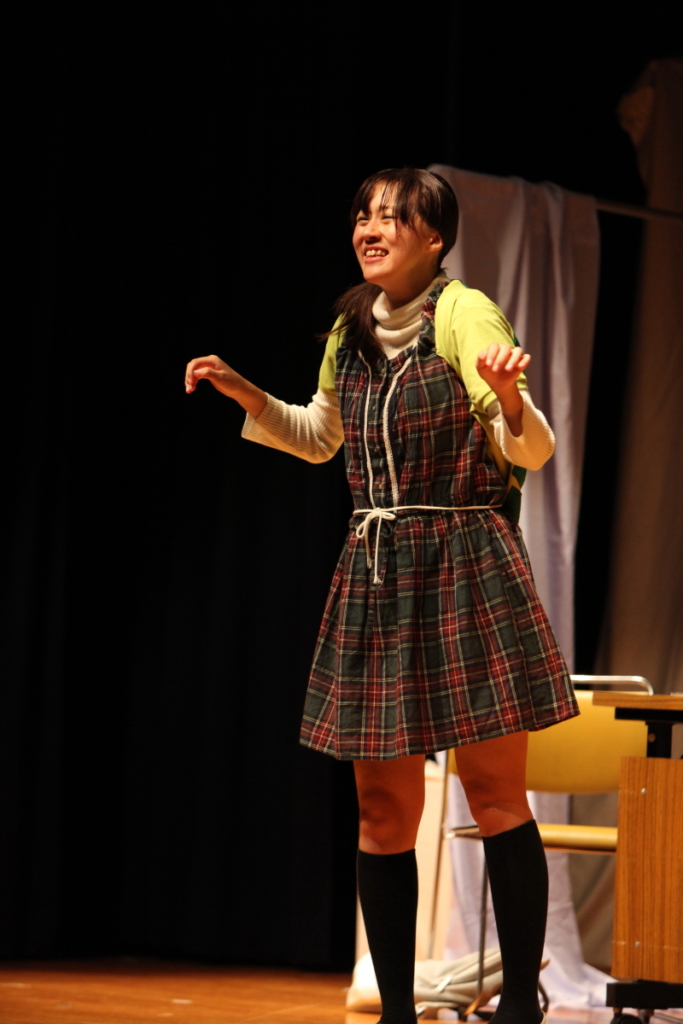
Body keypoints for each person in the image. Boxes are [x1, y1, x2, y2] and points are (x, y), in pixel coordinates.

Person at [185, 168, 578, 1024]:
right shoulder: (350, 327)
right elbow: (321, 437)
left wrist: (508, 398)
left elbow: (531, 450)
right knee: (382, 806)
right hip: (378, 573)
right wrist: (250, 397)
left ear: (433, 237)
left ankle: (519, 1004)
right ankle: (397, 1011)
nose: (369, 228)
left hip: (466, 563)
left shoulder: (464, 312)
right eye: (362, 215)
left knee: (493, 794)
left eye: (392, 217)